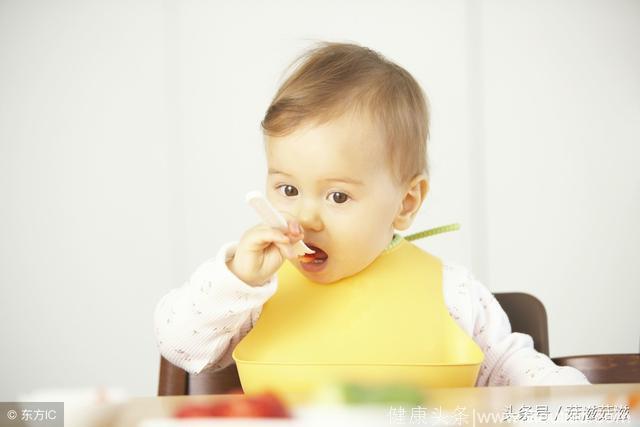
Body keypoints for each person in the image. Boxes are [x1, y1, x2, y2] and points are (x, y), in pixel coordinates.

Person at [154, 42, 589, 387]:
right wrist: (237, 278)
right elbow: (179, 346)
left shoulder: (452, 294)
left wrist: (584, 403)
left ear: (406, 204)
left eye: (338, 197)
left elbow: (515, 372)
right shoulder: (255, 295)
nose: (306, 217)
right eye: (288, 189)